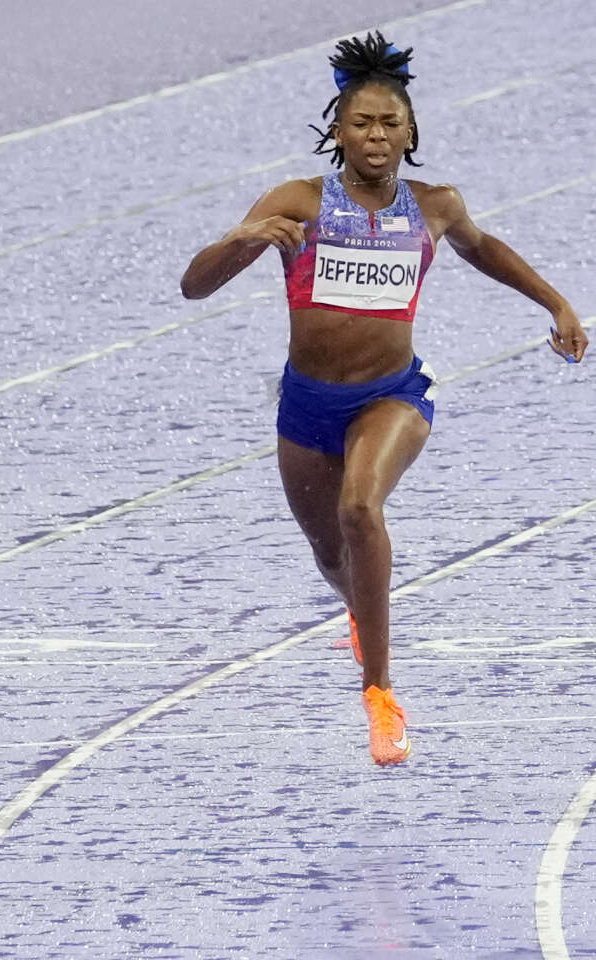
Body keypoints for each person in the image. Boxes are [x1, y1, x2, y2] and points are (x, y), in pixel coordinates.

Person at [179, 33, 587, 766]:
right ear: (337, 130)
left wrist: (556, 304)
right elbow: (194, 285)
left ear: (411, 133)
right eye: (361, 123)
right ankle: (359, 611)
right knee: (330, 551)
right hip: (305, 406)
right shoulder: (298, 200)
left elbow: (483, 248)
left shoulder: (435, 206)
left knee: (360, 507)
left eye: (389, 125)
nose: (375, 137)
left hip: (393, 397)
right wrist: (245, 239)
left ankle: (380, 694)